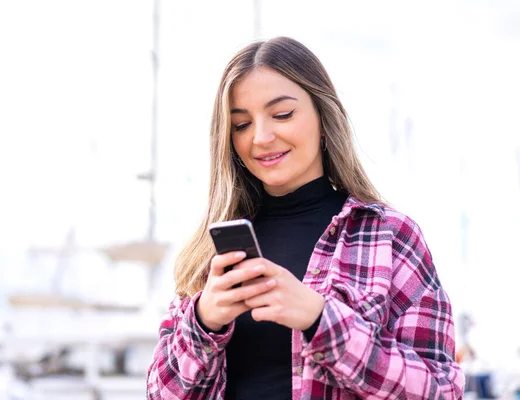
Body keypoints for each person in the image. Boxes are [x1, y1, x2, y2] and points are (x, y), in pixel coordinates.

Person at [146, 36, 465, 399]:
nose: (261, 137)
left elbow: (440, 391)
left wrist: (320, 319)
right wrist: (203, 321)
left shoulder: (390, 237)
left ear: (324, 118)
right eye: (241, 124)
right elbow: (159, 393)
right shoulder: (209, 251)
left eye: (282, 114)